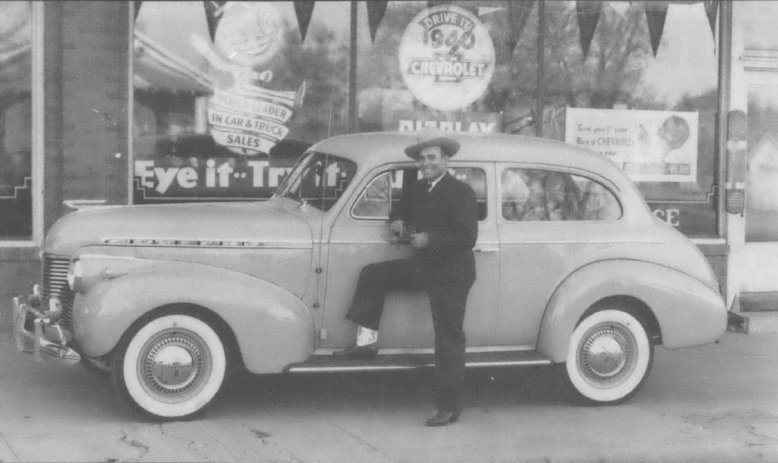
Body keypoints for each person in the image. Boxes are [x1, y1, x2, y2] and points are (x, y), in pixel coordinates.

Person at [333, 129, 478, 427]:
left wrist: (430, 239)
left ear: (446, 160)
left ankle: (449, 408)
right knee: (373, 274)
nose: (425, 163)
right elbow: (399, 208)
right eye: (422, 158)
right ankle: (366, 343)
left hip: (452, 274)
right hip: (425, 267)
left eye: (432, 158)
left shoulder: (461, 192)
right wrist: (397, 220)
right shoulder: (417, 188)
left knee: (448, 337)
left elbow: (467, 237)